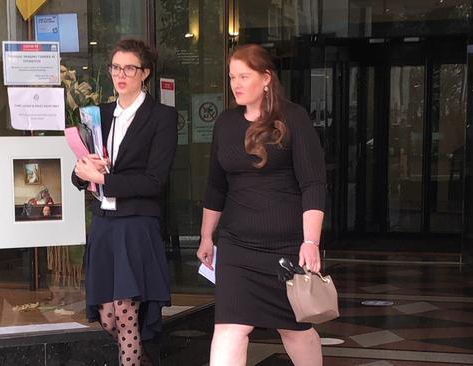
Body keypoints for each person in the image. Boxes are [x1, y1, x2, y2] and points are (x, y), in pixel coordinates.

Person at [196, 44, 326, 366]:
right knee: (230, 329)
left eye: (244, 76)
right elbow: (215, 185)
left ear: (266, 78)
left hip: (284, 246)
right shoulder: (225, 123)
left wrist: (311, 242)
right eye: (231, 77)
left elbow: (313, 183)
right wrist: (206, 236)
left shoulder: (293, 117)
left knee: (294, 330)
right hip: (237, 246)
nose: (235, 84)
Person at [72, 39, 178, 366]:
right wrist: (80, 171)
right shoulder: (98, 115)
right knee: (107, 316)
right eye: (116, 67)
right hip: (104, 224)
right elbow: (82, 176)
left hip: (136, 225)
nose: (121, 74)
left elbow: (154, 182)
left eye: (129, 68)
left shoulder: (162, 117)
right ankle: (143, 359)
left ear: (144, 73)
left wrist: (107, 180)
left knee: (126, 312)